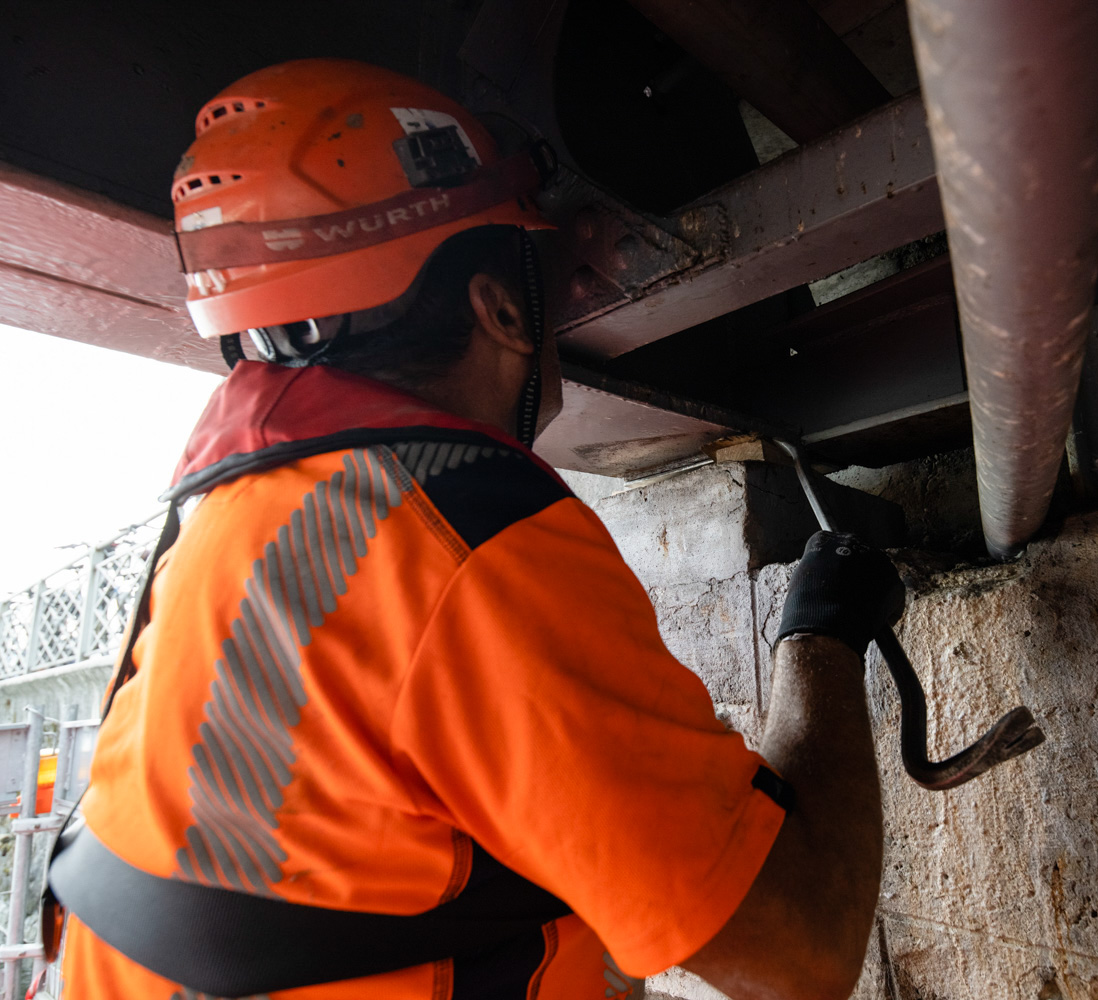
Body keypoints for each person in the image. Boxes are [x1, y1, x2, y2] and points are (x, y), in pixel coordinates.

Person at [46, 58, 899, 1000]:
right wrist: (820, 635)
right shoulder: (466, 535)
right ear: (499, 307)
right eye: (540, 270)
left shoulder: (222, 519)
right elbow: (800, 947)